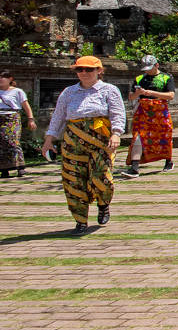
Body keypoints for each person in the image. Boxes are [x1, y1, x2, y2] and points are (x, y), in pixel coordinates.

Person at [40, 56, 125, 234]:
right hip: (73, 139)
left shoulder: (109, 90)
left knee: (101, 176)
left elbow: (117, 113)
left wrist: (116, 133)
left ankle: (103, 204)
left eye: (89, 69)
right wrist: (49, 139)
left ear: (99, 71)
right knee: (73, 179)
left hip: (100, 138)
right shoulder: (69, 92)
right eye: (80, 70)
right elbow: (58, 117)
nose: (84, 73)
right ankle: (80, 220)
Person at [122, 55, 175, 178]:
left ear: (157, 65)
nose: (147, 71)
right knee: (138, 136)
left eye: (149, 68)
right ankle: (134, 167)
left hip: (160, 111)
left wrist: (151, 93)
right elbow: (131, 97)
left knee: (164, 136)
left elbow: (171, 95)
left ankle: (168, 160)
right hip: (143, 111)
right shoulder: (139, 78)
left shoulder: (166, 78)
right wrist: (138, 93)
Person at [0, 70, 35, 179]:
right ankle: (4, 170)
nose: (1, 79)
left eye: (3, 77)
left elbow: (26, 106)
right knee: (1, 143)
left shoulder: (18, 91)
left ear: (10, 79)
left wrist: (31, 119)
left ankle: (20, 167)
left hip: (12, 117)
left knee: (13, 141)